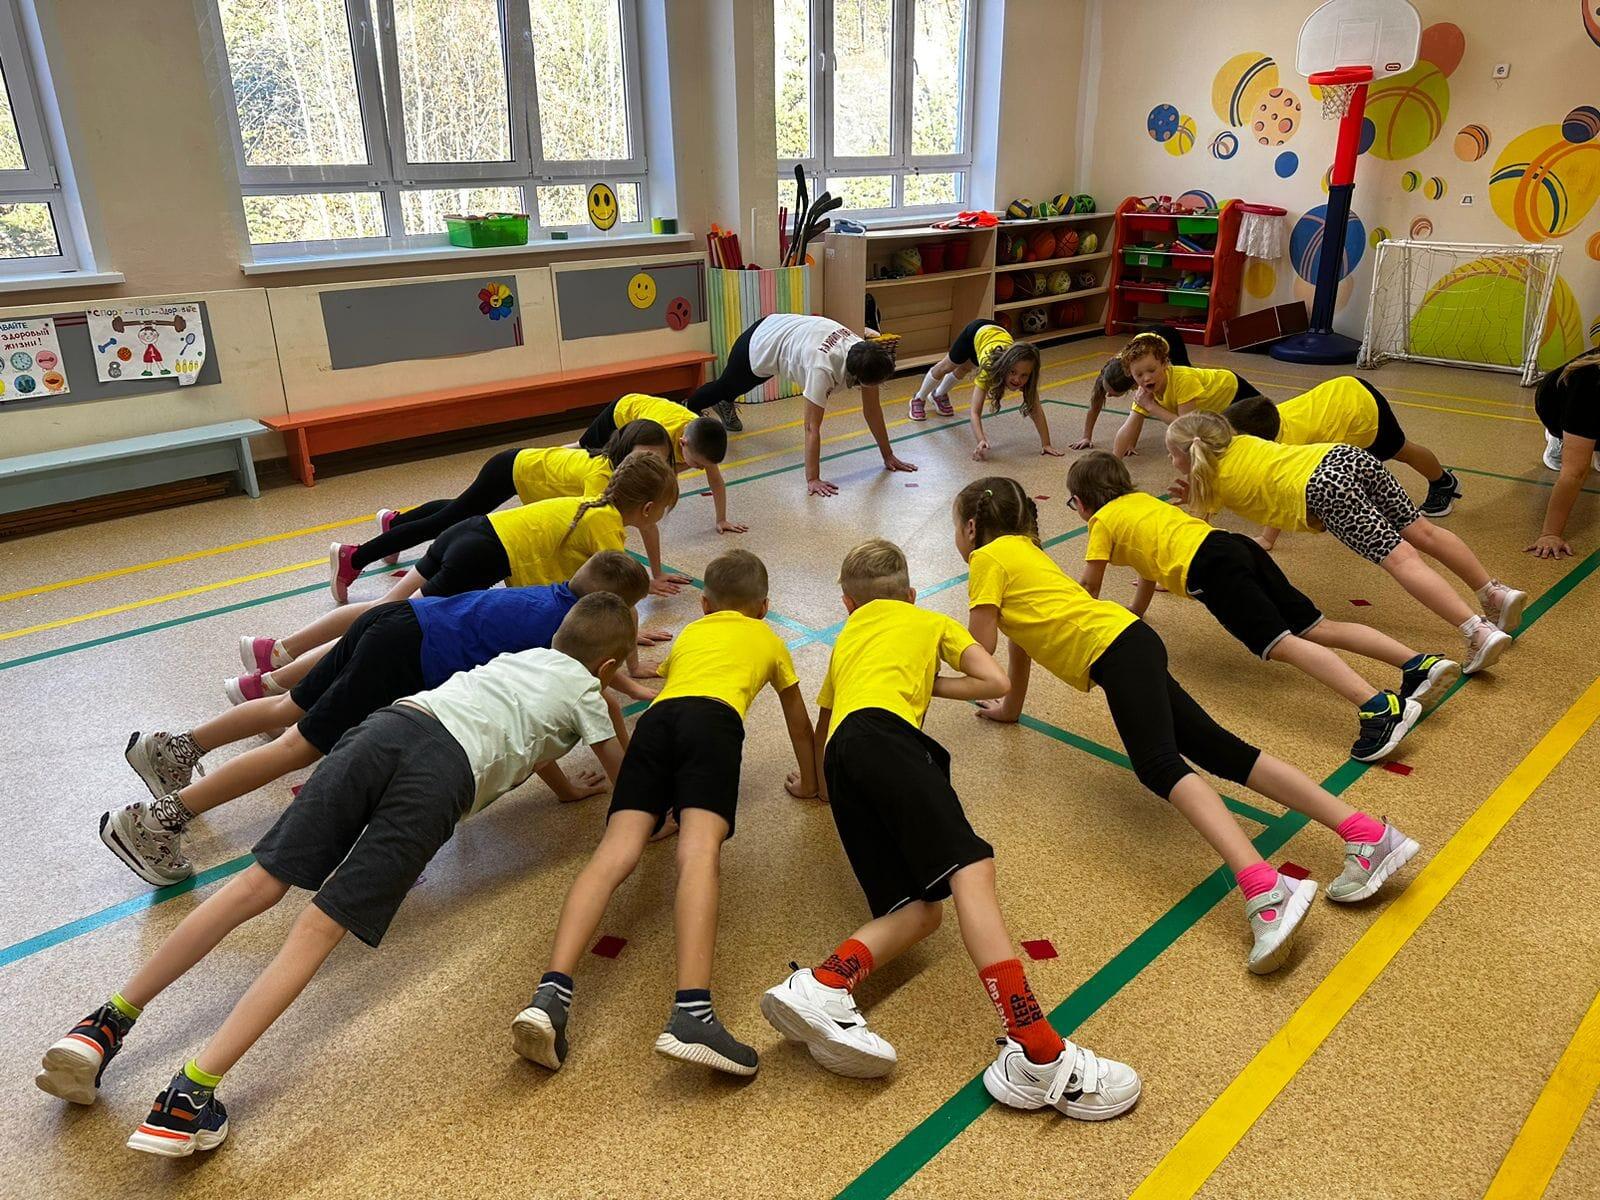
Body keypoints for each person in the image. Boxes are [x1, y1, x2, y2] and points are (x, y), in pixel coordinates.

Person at [36, 595, 637, 1158]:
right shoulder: (590, 693)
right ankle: (189, 1096)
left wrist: (564, 789)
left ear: (558, 637)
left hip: (390, 726)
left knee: (255, 885)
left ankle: (103, 1024)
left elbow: (529, 733)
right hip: (440, 777)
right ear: (607, 667)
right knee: (317, 929)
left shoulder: (522, 657)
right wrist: (617, 732)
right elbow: (629, 783)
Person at [955, 479, 1428, 972]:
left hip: (1115, 653)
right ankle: (1367, 833)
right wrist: (1011, 707)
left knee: (1159, 766)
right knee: (1222, 752)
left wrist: (927, 650)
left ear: (970, 528)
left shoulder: (987, 560)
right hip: (1130, 642)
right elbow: (1022, 638)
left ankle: (1267, 889)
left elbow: (981, 647)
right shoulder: (1025, 553)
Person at [757, 538, 1143, 1119]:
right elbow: (996, 682)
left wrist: (812, 785)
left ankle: (827, 982)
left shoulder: (848, 639)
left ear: (847, 604)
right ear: (911, 595)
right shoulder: (929, 620)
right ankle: (1038, 1052)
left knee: (917, 911)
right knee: (972, 868)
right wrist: (929, 682)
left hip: (843, 758)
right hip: (890, 740)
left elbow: (825, 723)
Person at [105, 552, 649, 887]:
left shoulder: (552, 602)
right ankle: (155, 823)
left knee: (290, 708)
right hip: (404, 655)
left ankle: (173, 748)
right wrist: (566, 790)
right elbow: (531, 727)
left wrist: (564, 789)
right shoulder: (554, 640)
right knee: (296, 747)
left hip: (395, 619)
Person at [515, 550, 817, 1078]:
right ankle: (692, 1014)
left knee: (614, 852)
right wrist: (813, 783)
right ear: (764, 608)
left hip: (656, 724)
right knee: (698, 852)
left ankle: (549, 996)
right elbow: (797, 720)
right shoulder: (768, 638)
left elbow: (668, 693)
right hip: (714, 724)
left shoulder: (690, 635)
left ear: (704, 605)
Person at [1068, 452, 1458, 762]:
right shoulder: (1139, 503)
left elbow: (1089, 585)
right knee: (1315, 626)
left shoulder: (1101, 521)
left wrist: (1077, 628)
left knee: (1283, 644)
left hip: (1210, 570)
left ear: (1083, 503)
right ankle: (1417, 664)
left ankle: (1379, 708)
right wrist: (1137, 610)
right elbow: (1146, 566)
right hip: (1235, 546)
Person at [235, 452, 677, 692]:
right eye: (664, 511)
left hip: (471, 532)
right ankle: (276, 683)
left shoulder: (591, 503)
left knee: (382, 607)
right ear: (647, 508)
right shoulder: (607, 529)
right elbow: (614, 603)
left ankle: (277, 652)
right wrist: (633, 663)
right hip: (478, 557)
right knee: (382, 622)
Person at [1165, 412, 1524, 675]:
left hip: (1325, 487)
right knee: (1422, 531)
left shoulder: (1212, 483)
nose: (1170, 461)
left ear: (1189, 455)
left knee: (1401, 559)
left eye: (1172, 454)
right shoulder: (1242, 443)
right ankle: (1494, 592)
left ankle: (1476, 631)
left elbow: (1198, 537)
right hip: (1345, 456)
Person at [326, 419, 679, 604]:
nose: (654, 464)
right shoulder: (602, 480)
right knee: (449, 519)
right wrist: (642, 582)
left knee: (456, 512)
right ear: (624, 451)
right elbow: (595, 540)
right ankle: (355, 556)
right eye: (646, 456)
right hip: (511, 469)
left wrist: (657, 572)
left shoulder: (625, 478)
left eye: (660, 459)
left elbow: (643, 525)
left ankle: (396, 521)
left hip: (520, 476)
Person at [683, 314, 913, 496]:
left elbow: (872, 410)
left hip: (782, 335)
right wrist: (813, 479)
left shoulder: (864, 354)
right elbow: (811, 428)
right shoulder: (822, 369)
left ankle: (724, 402)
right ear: (858, 378)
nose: (880, 386)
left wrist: (888, 455)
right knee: (725, 387)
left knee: (737, 386)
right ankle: (687, 407)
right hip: (760, 342)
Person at [1223, 376, 1461, 519]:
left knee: (1402, 451)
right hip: (1344, 391)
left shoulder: (1287, 444)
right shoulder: (1268, 419)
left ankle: (1444, 482)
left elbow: (1285, 494)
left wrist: (1267, 539)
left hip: (1361, 408)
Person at [575, 392, 742, 537]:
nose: (701, 468)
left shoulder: (701, 443)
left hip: (644, 420)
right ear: (682, 443)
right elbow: (647, 475)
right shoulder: (661, 441)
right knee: (582, 448)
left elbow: (716, 481)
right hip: (622, 411)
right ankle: (557, 454)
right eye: (698, 464)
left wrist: (721, 519)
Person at [909, 318, 1060, 460]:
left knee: (965, 368)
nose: (1017, 380)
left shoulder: (1027, 380)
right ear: (1005, 367)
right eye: (1013, 372)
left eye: (1024, 375)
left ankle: (938, 395)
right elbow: (975, 412)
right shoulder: (989, 369)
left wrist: (1046, 444)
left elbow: (1036, 409)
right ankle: (919, 398)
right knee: (947, 366)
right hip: (976, 331)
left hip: (993, 338)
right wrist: (981, 440)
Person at [1072, 325, 1199, 451]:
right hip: (1145, 337)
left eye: (1114, 394)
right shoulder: (1108, 372)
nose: (1108, 395)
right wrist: (1086, 437)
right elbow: (1095, 405)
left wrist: (1131, 443)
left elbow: (1140, 409)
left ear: (1133, 385)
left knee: (1184, 372)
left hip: (1169, 336)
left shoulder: (1139, 375)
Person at [1528, 349, 1600, 559]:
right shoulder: (1589, 382)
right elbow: (1574, 473)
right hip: (1558, 409)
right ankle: (1562, 440)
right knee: (1578, 457)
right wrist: (1551, 534)